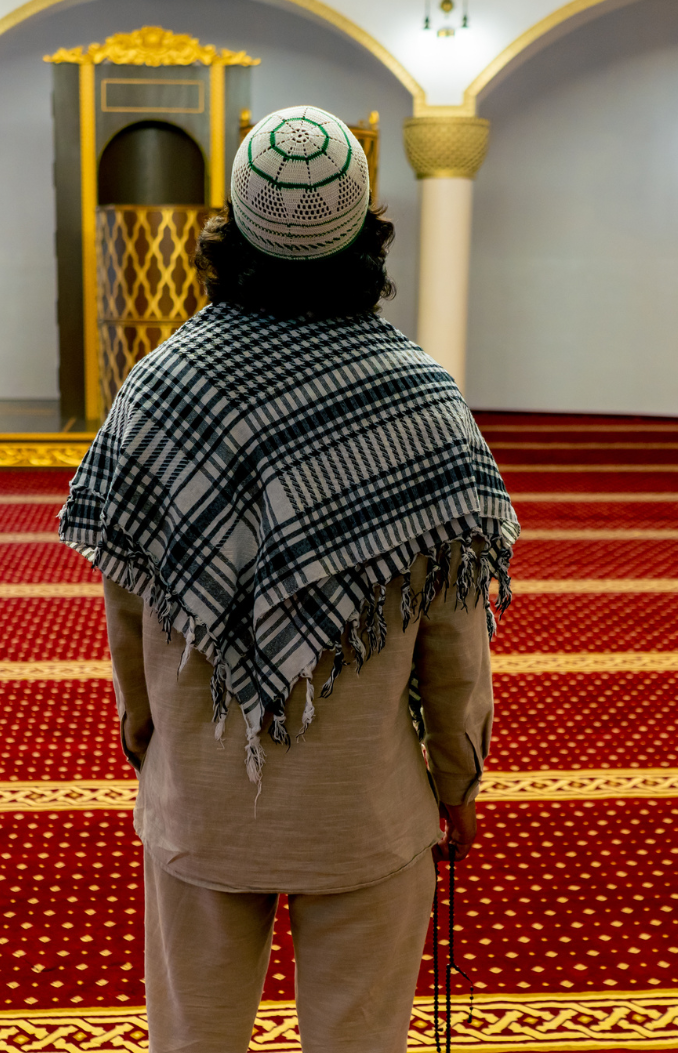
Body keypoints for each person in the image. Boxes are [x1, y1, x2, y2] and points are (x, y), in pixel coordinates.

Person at [59, 105, 519, 1053]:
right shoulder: (423, 400)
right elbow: (454, 639)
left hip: (204, 796)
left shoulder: (161, 385)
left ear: (234, 228)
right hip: (365, 810)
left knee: (193, 1040)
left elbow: (129, 602)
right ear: (365, 233)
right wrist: (456, 782)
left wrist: (153, 745)